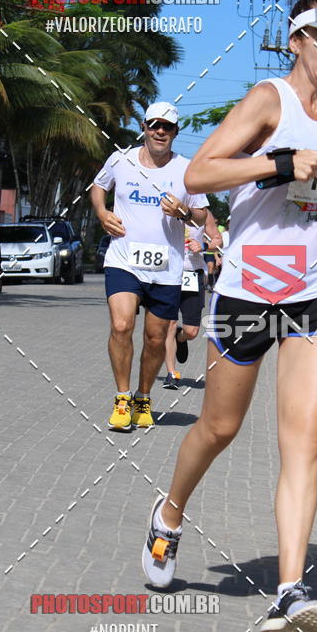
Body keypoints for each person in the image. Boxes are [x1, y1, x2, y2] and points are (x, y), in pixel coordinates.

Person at [141, 0, 317, 632]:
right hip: (250, 288)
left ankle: (290, 589)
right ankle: (169, 513)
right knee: (219, 426)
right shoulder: (269, 101)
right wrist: (276, 164)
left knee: (304, 436)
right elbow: (198, 173)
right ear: (296, 39)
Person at [90, 102, 208, 431]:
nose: (159, 131)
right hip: (123, 260)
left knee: (156, 339)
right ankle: (122, 398)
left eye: (166, 127)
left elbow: (201, 215)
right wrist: (102, 213)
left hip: (167, 268)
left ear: (175, 133)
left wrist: (184, 210)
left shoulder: (187, 170)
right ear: (144, 127)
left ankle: (144, 397)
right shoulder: (121, 160)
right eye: (154, 125)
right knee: (122, 325)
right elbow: (98, 188)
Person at [163, 213, 222, 388]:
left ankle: (179, 339)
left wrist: (204, 245)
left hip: (193, 273)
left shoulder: (203, 212)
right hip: (167, 272)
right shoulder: (164, 208)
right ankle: (171, 373)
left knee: (191, 331)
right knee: (170, 323)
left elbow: (218, 239)